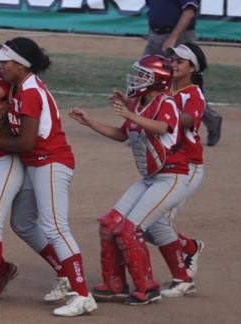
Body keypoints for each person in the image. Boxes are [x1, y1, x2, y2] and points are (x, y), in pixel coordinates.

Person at [0, 37, 98, 317]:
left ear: (21, 65)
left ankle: (82, 294)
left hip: (51, 162)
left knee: (56, 227)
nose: (1, 66)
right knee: (22, 222)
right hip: (36, 164)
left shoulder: (30, 93)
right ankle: (65, 272)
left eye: (6, 62)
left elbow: (27, 143)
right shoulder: (20, 87)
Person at [69, 54, 191, 305]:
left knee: (129, 230)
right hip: (150, 178)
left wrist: (130, 114)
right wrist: (90, 122)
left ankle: (147, 288)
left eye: (142, 75)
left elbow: (162, 128)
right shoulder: (138, 104)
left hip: (172, 177)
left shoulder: (165, 101)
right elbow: (122, 134)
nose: (136, 79)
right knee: (109, 224)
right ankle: (114, 284)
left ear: (157, 80)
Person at [152, 42, 207, 297]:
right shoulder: (166, 90)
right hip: (166, 167)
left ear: (192, 68)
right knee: (147, 225)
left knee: (157, 223)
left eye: (180, 62)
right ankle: (190, 247)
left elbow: (184, 121)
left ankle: (182, 279)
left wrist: (161, 111)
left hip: (188, 168)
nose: (173, 64)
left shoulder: (193, 94)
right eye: (172, 60)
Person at [144, 0, 222, 146]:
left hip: (179, 37)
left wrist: (173, 37)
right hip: (155, 36)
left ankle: (212, 120)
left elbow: (189, 11)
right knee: (145, 78)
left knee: (185, 86)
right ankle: (143, 127)